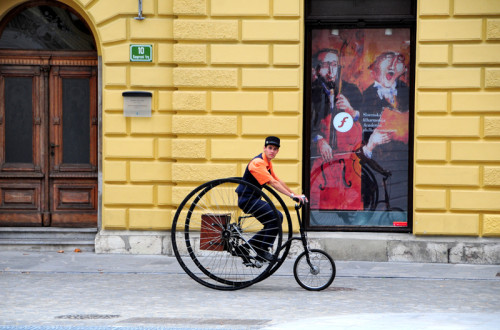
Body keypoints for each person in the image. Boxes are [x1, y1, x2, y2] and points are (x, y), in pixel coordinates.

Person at [235, 136, 307, 267]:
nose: (272, 151)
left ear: (277, 151)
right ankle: (262, 250)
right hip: (247, 200)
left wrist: (295, 194)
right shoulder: (257, 163)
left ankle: (246, 247)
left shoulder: (267, 163)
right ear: (264, 148)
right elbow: (272, 182)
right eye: (270, 148)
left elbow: (277, 180)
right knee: (277, 216)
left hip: (254, 199)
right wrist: (291, 196)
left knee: (273, 221)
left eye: (275, 149)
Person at [310, 49, 364, 212]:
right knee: (315, 189)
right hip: (324, 158)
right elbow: (309, 123)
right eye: (326, 65)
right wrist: (318, 139)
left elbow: (365, 118)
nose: (331, 70)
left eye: (334, 65)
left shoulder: (352, 90)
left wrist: (351, 110)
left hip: (347, 157)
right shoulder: (312, 91)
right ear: (318, 69)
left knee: (351, 193)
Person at [359, 51, 410, 213]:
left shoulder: (405, 90)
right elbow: (363, 127)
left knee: (398, 192)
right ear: (374, 73)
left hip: (400, 156)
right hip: (375, 156)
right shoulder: (367, 94)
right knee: (372, 194)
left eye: (393, 64)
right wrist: (371, 144)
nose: (391, 67)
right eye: (385, 64)